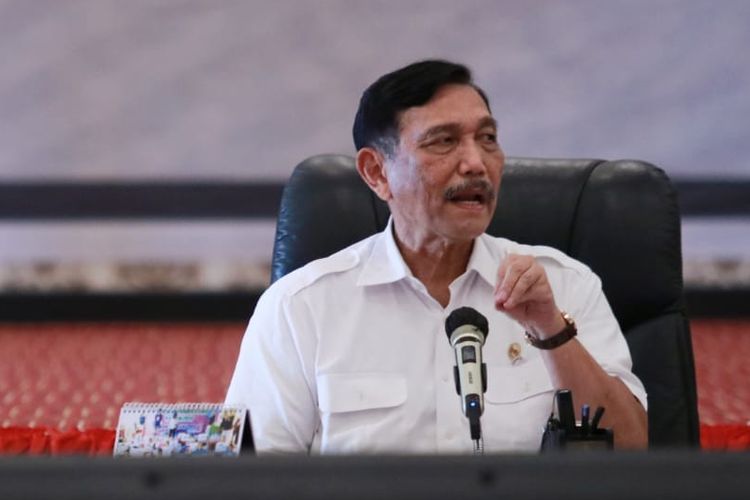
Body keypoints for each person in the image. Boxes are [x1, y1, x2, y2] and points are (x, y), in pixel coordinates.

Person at [226, 60, 648, 454]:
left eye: (487, 139)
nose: (476, 163)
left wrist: (549, 329)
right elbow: (252, 480)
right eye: (444, 141)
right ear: (376, 172)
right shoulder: (300, 308)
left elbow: (630, 451)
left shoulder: (565, 285)